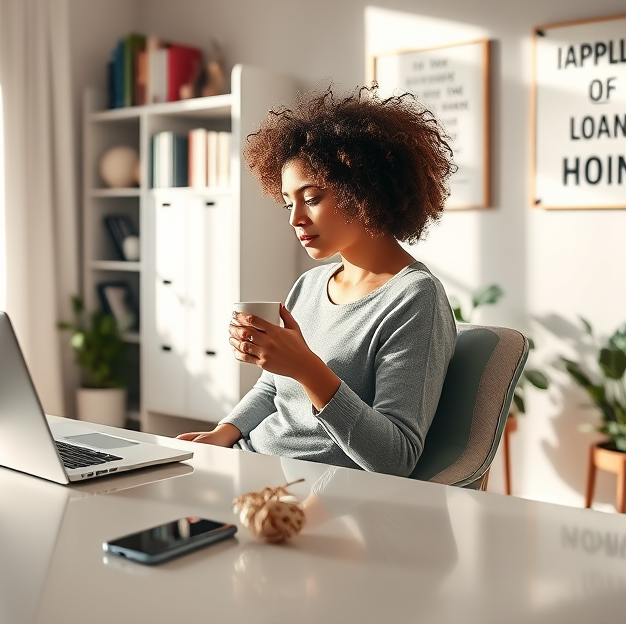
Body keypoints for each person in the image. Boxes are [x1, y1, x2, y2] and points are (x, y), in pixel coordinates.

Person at [176, 85, 457, 477]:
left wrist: (308, 369)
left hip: (314, 491)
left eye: (310, 198)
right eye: (289, 203)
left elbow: (396, 458)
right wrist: (225, 432)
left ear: (364, 189)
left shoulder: (415, 299)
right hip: (251, 464)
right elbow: (272, 389)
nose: (295, 219)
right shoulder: (310, 285)